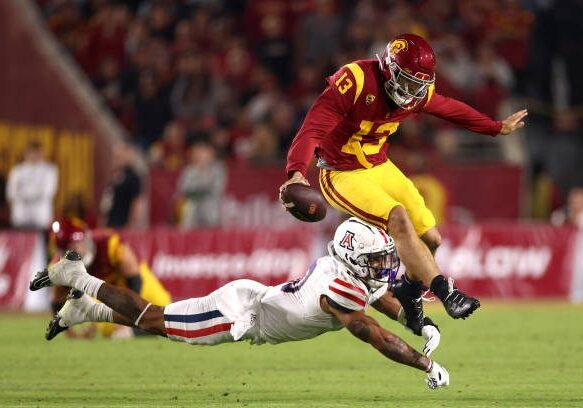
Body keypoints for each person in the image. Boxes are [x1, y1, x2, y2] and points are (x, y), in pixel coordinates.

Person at [279, 33, 528, 334]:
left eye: (417, 84)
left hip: (379, 165)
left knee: (432, 238)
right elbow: (312, 129)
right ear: (388, 67)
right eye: (406, 80)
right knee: (397, 217)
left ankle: (408, 289)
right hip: (341, 171)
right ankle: (444, 289)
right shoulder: (356, 80)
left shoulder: (418, 90)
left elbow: (448, 107)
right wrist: (296, 171)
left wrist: (494, 127)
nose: (411, 90)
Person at [31, 217, 449, 389]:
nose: (386, 265)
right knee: (154, 319)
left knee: (156, 321)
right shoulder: (338, 286)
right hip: (243, 315)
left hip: (254, 306)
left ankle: (87, 309)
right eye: (377, 259)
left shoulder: (351, 273)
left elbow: (384, 301)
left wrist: (422, 325)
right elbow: (372, 333)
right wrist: (426, 365)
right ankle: (78, 278)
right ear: (354, 257)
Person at [47, 217, 172, 338]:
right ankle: (140, 332)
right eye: (69, 249)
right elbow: (57, 301)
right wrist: (69, 333)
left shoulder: (109, 243)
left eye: (78, 244)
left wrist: (131, 320)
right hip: (111, 293)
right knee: (108, 328)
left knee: (165, 312)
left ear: (87, 239)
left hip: (135, 283)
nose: (78, 251)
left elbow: (135, 281)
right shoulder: (60, 267)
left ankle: (137, 330)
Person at [6, 141, 58, 230]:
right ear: (25, 153)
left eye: (37, 152)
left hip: (40, 215)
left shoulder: (50, 170)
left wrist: (23, 191)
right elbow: (11, 193)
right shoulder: (17, 170)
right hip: (21, 215)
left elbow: (48, 192)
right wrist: (33, 191)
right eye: (31, 152)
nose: (34, 155)